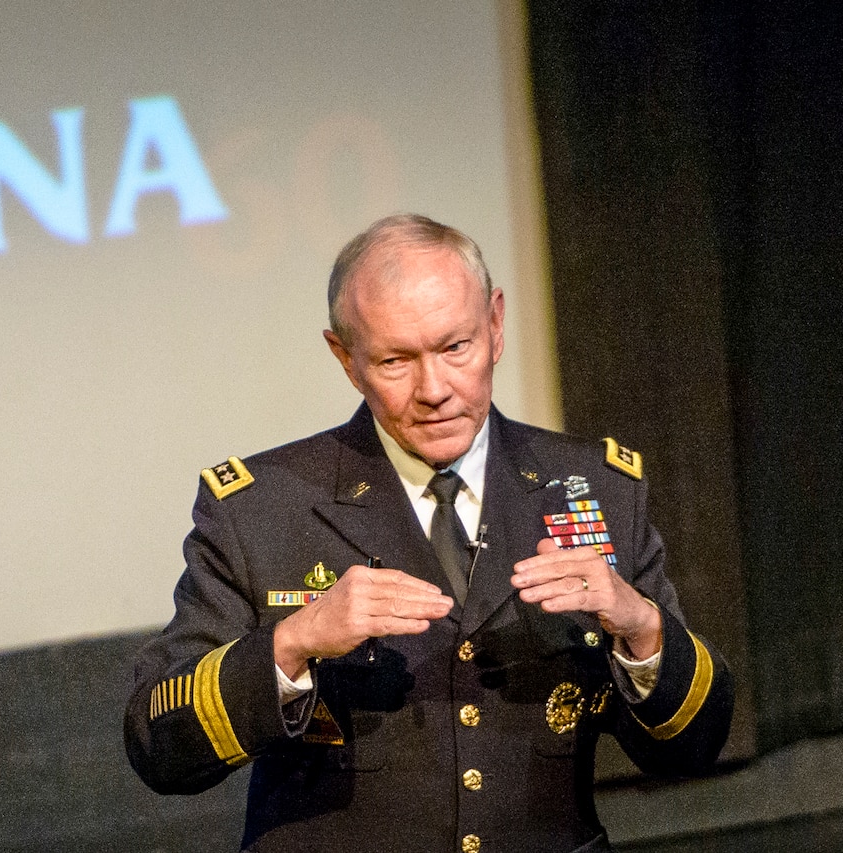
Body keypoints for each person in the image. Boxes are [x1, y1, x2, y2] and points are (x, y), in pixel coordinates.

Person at [124, 214, 733, 853]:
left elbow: (693, 749)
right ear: (345, 358)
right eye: (395, 360)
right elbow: (157, 747)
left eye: (455, 348)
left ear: (495, 325)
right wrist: (292, 643)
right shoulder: (263, 510)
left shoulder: (598, 488)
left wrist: (640, 628)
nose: (434, 390)